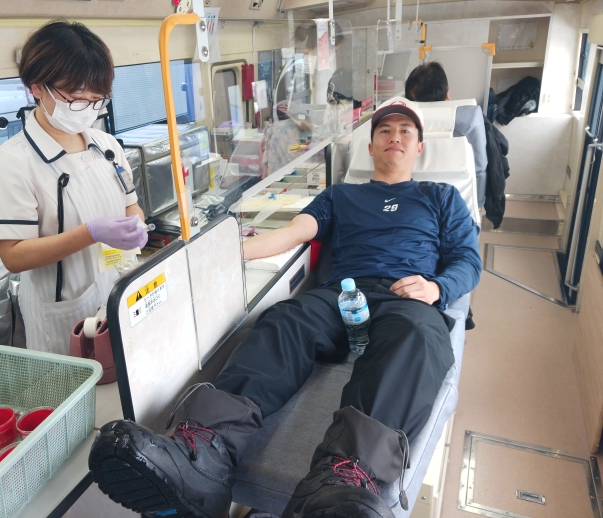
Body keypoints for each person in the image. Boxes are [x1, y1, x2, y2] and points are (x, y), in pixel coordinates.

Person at [88, 97, 481, 518]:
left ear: (420, 147)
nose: (394, 137)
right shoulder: (342, 195)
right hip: (344, 292)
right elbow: (293, 233)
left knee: (419, 338)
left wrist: (436, 287)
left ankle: (346, 476)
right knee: (285, 318)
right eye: (384, 130)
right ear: (370, 146)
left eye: (405, 131)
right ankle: (204, 452)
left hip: (408, 297)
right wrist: (213, 255)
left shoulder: (441, 197)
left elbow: (468, 260)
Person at [0, 21, 148, 355]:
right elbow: (13, 255)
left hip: (118, 291)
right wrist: (90, 233)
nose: (88, 110)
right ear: (36, 87)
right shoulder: (11, 163)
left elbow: (130, 203)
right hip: (62, 312)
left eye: (97, 100)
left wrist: (137, 226)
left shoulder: (106, 145)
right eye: (75, 100)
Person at [404, 62, 489, 209]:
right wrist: (478, 203)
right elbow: (479, 169)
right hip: (460, 205)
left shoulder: (393, 123)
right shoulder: (469, 121)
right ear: (447, 94)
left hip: (408, 202)